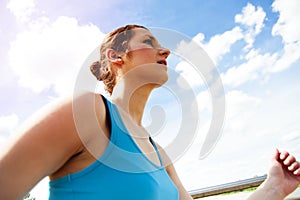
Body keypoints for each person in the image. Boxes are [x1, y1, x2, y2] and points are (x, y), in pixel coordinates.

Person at [0, 24, 299, 200]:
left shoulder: (159, 153)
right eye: (148, 42)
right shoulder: (86, 112)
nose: (165, 51)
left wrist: (273, 187)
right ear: (116, 56)